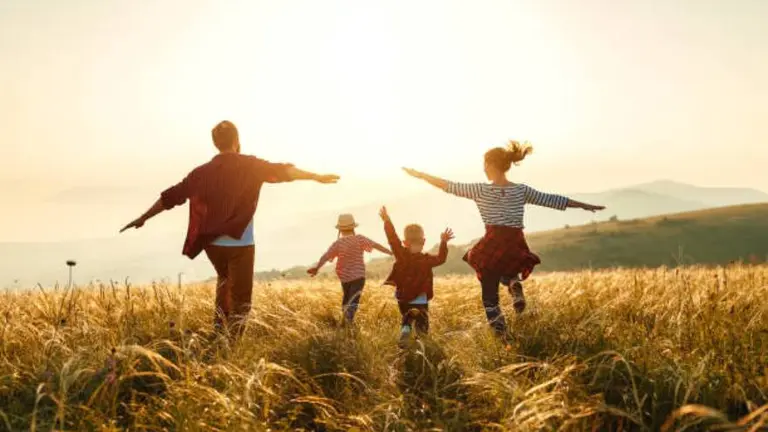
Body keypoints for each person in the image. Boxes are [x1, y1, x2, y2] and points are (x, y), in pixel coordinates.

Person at [120, 120, 339, 338]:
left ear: (216, 143)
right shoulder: (250, 165)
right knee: (241, 299)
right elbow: (283, 171)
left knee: (224, 280)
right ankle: (231, 345)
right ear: (236, 141)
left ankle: (219, 330)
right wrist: (315, 176)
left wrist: (143, 217)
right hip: (240, 244)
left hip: (212, 245)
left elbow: (171, 196)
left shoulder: (200, 173)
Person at [402, 140, 604, 339]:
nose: (483, 169)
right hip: (515, 241)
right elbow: (552, 200)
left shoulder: (481, 190)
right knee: (508, 269)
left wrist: (420, 175)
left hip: (492, 241)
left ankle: (501, 334)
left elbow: (447, 185)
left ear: (490, 165)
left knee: (489, 294)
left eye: (484, 165)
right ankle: (514, 284)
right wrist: (585, 205)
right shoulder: (521, 190)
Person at [379, 206, 453, 347]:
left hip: (403, 296)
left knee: (407, 318)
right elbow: (441, 259)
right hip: (420, 297)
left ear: (405, 243)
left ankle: (405, 332)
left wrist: (387, 221)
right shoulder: (426, 260)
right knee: (422, 322)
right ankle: (422, 342)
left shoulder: (401, 254)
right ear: (424, 241)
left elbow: (392, 238)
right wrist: (443, 242)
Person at [306, 213, 392, 324]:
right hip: (358, 276)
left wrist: (317, 268)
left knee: (347, 300)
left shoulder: (337, 244)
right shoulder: (359, 239)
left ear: (340, 230)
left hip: (345, 278)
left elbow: (325, 256)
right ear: (353, 227)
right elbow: (376, 245)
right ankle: (348, 322)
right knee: (353, 300)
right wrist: (391, 252)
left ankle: (346, 322)